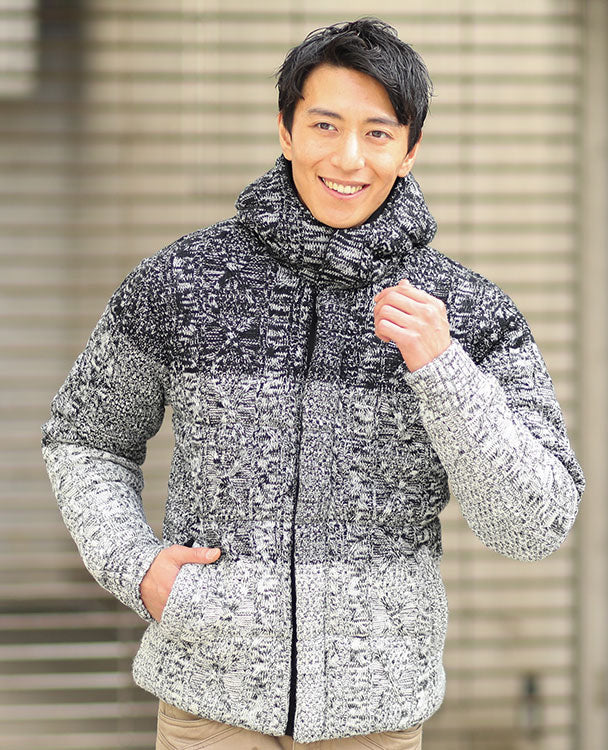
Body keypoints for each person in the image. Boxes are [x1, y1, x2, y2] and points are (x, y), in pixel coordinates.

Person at [41, 18, 584, 749]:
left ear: (411, 149)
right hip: (211, 706)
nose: (349, 158)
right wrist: (136, 567)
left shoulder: (469, 312)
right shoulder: (183, 281)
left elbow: (533, 525)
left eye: (378, 133)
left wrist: (444, 369)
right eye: (325, 125)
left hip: (376, 719)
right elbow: (85, 438)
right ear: (286, 130)